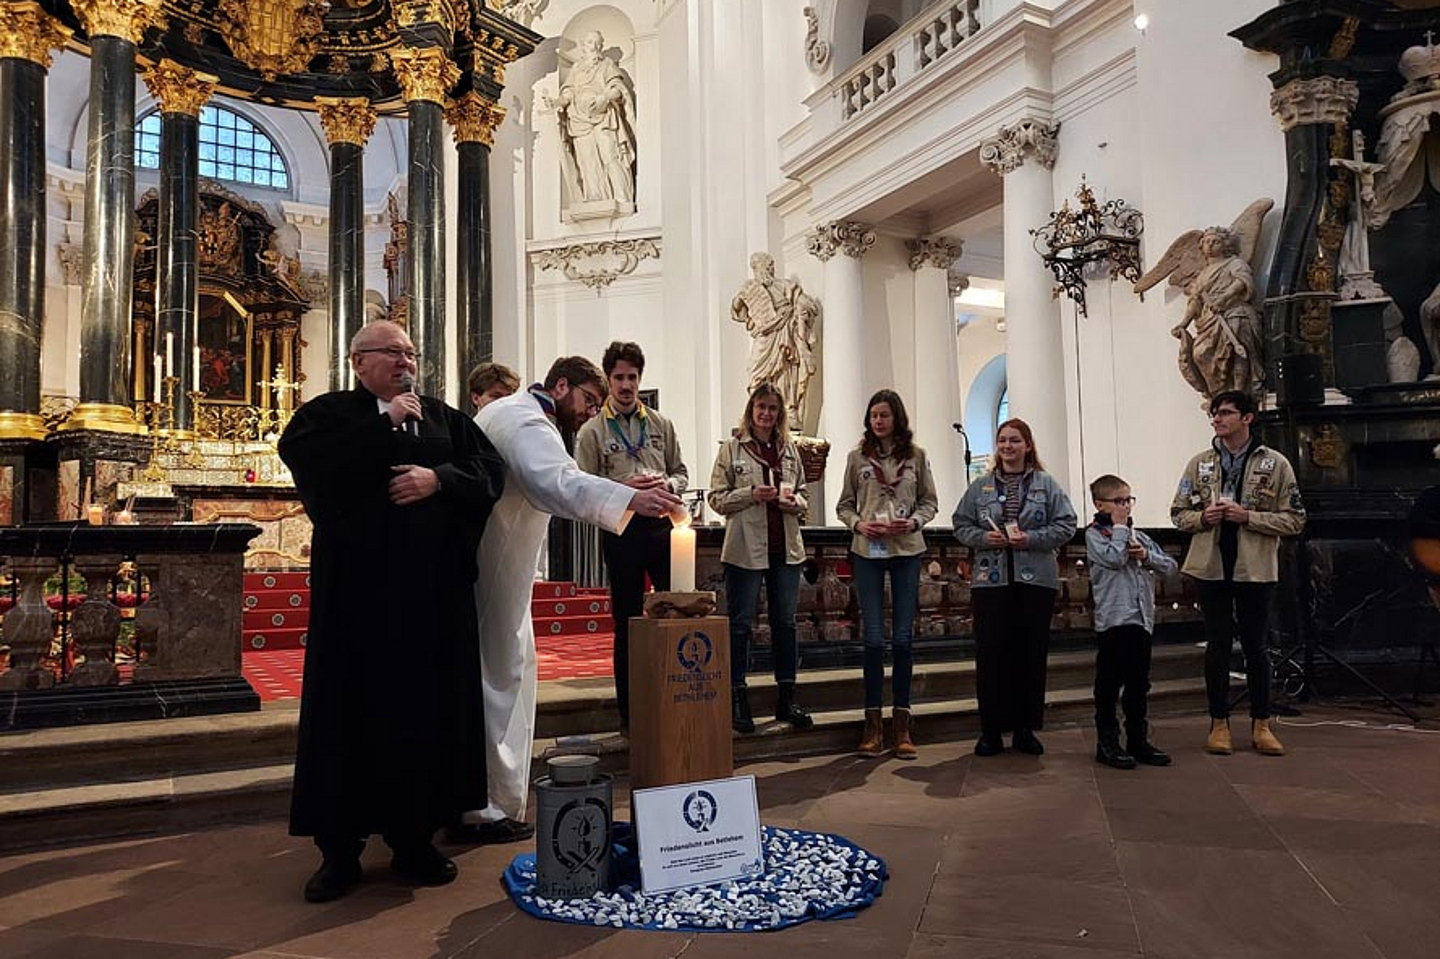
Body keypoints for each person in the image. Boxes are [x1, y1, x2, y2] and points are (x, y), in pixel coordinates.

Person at [278, 320, 505, 903]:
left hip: (430, 603)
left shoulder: (444, 417)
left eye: (410, 352)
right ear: (358, 362)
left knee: (423, 717)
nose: (406, 362)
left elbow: (490, 473)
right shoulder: (329, 416)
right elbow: (312, 465)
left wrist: (439, 478)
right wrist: (384, 426)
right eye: (392, 353)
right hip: (357, 605)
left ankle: (414, 841)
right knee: (349, 719)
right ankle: (339, 852)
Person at [449, 357, 682, 846]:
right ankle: (482, 808)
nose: (589, 412)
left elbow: (563, 474)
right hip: (494, 567)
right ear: (561, 386)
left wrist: (622, 489)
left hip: (501, 563)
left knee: (507, 671)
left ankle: (486, 800)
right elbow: (553, 482)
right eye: (588, 401)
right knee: (498, 675)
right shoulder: (526, 418)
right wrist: (630, 501)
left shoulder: (522, 414)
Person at [1171, 389, 1305, 757]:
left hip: (1255, 567)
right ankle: (1219, 724)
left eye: (1227, 413)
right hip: (1211, 567)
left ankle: (1261, 724)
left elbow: (1295, 519)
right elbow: (1178, 513)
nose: (1218, 419)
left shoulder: (1275, 464)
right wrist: (1203, 518)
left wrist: (1249, 518)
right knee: (1216, 646)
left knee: (1256, 648)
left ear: (1247, 418)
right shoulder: (1200, 464)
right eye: (1215, 414)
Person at [575, 342, 689, 732]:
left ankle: (678, 695)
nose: (626, 385)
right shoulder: (592, 431)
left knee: (674, 612)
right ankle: (629, 714)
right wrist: (626, 487)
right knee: (625, 622)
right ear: (608, 380)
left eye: (632, 377)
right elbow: (582, 485)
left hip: (661, 527)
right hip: (622, 530)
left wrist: (668, 482)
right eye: (619, 377)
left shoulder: (660, 424)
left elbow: (682, 472)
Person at [952, 419, 1077, 757]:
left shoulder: (1045, 485)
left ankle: (1025, 729)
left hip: (1035, 580)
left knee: (1030, 654)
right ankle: (991, 730)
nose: (1008, 446)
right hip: (991, 581)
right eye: (1003, 440)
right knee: (991, 654)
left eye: (1015, 440)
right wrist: (983, 537)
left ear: (1028, 446)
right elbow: (960, 523)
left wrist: (1031, 539)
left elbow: (1067, 524)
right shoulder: (980, 487)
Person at [836, 389, 938, 760]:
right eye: (873, 416)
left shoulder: (916, 457)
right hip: (868, 552)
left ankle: (902, 723)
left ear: (897, 418)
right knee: (874, 640)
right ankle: (872, 723)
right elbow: (844, 505)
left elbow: (930, 501)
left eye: (884, 415)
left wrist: (913, 521)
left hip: (907, 550)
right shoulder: (856, 458)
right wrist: (859, 524)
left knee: (903, 641)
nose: (878, 421)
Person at [708, 383, 813, 733]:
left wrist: (793, 502)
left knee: (785, 623)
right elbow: (716, 498)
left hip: (785, 548)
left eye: (772, 408)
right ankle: (738, 697)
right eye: (761, 407)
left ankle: (787, 698)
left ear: (779, 413)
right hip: (745, 548)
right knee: (740, 624)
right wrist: (750, 494)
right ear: (751, 410)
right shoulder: (733, 450)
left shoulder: (789, 450)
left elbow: (803, 496)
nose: (766, 414)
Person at [1086, 474, 1179, 770]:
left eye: (1128, 500)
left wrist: (1146, 554)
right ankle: (1107, 741)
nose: (1126, 506)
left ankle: (1137, 740)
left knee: (1139, 683)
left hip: (1141, 619)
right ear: (1101, 505)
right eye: (1119, 501)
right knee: (1110, 683)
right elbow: (1113, 558)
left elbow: (1170, 566)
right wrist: (1119, 530)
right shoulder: (1095, 535)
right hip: (1115, 619)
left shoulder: (1137, 535)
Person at [1171, 228, 1265, 399]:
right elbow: (1195, 301)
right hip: (1209, 319)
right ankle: (1219, 393)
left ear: (1226, 245)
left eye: (1215, 241)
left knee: (1238, 350)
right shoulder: (1202, 275)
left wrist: (1223, 299)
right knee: (1200, 353)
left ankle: (1239, 391)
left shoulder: (1234, 263)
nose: (1210, 245)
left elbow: (1242, 282)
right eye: (1206, 242)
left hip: (1234, 311)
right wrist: (1183, 323)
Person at [730, 252, 820, 426]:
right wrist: (739, 298)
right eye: (764, 265)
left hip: (785, 331)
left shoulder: (785, 285)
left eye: (770, 265)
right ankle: (754, 415)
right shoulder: (750, 288)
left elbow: (808, 304)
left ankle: (788, 411)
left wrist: (801, 308)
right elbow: (737, 310)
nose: (769, 268)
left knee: (785, 373)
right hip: (764, 336)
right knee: (755, 372)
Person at [557, 30, 636, 206]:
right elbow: (568, 92)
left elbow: (618, 89)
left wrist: (604, 98)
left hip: (603, 117)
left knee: (610, 156)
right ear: (584, 46)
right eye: (590, 42)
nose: (594, 46)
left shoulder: (606, 65)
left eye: (597, 43)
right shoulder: (576, 68)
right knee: (587, 160)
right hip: (578, 118)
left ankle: (622, 197)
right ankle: (594, 197)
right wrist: (558, 102)